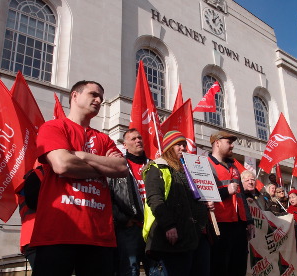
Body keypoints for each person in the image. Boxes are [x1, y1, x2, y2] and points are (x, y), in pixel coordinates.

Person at [31, 81, 129, 275]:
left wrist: (82, 156)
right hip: (58, 233)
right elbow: (62, 165)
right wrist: (103, 167)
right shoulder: (53, 127)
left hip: (99, 236)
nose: (99, 100)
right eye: (93, 94)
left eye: (101, 97)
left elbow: (122, 168)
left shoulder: (104, 139)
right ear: (75, 96)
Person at [142, 130, 207, 276]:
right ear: (169, 147)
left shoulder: (186, 171)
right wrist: (169, 226)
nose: (183, 148)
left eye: (184, 145)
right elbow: (155, 199)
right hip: (168, 240)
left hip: (189, 239)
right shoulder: (157, 168)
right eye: (178, 145)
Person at [208, 130, 255, 276]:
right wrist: (225, 192)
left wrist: (249, 221)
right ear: (217, 143)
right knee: (220, 267)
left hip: (239, 224)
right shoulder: (206, 165)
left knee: (239, 266)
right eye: (229, 142)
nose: (232, 146)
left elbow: (241, 195)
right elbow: (204, 195)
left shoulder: (233, 166)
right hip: (220, 224)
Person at [109, 129, 150, 276]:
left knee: (155, 269)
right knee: (129, 269)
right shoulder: (119, 166)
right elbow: (110, 197)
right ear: (125, 145)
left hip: (152, 228)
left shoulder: (152, 165)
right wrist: (124, 219)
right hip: (129, 227)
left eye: (139, 138)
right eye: (133, 139)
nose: (138, 141)